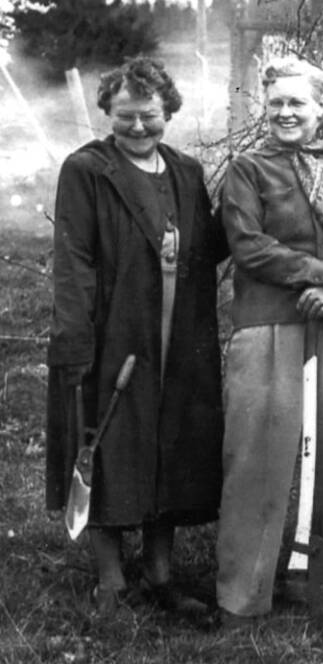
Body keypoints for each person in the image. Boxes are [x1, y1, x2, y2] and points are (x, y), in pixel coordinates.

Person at [46, 57, 226, 618]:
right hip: (114, 332)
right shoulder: (88, 169)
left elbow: (214, 243)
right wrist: (76, 339)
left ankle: (161, 574)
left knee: (168, 443)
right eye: (126, 116)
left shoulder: (186, 171)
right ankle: (111, 579)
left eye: (150, 115)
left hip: (180, 334)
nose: (139, 127)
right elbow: (73, 259)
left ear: (168, 111)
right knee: (107, 445)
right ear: (108, 113)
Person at [216, 57, 323, 624]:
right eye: (277, 103)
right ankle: (245, 592)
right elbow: (249, 245)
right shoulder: (247, 169)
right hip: (270, 322)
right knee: (258, 455)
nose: (287, 112)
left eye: (299, 103)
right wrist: (320, 275)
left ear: (320, 109)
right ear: (265, 108)